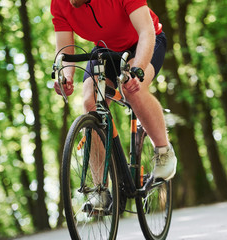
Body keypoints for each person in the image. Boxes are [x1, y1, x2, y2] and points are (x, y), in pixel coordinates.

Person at [51, 0, 177, 198]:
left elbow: (146, 31)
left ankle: (163, 151)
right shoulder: (60, 3)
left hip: (144, 40)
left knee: (133, 90)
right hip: (105, 49)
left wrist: (138, 69)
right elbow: (65, 52)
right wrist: (66, 77)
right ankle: (100, 190)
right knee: (90, 103)